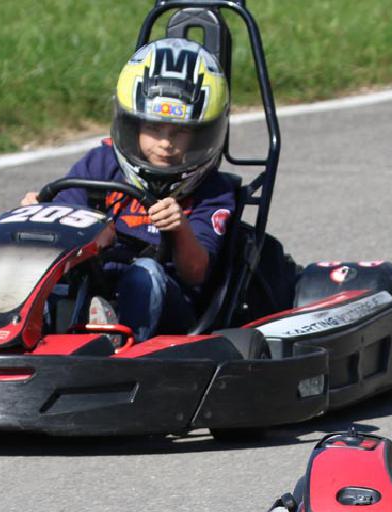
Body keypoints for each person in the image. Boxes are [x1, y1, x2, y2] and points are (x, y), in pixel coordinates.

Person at [19, 38, 236, 341]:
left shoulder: (214, 190)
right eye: (154, 128)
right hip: (93, 283)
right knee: (39, 266)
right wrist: (39, 215)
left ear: (203, 135)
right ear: (133, 125)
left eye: (180, 131)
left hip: (169, 307)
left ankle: (119, 341)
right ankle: (8, 330)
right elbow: (63, 224)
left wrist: (179, 228)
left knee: (144, 272)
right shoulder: (102, 163)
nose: (165, 142)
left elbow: (196, 273)